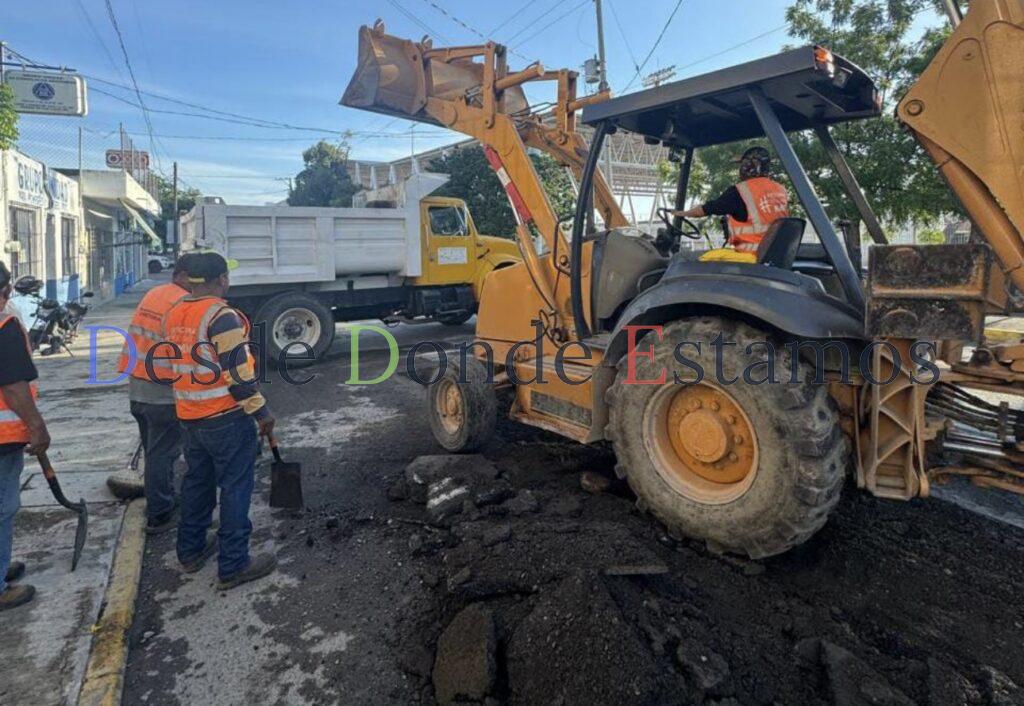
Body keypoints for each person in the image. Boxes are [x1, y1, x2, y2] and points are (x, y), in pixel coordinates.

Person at [162, 252, 277, 590]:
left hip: (188, 415)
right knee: (235, 486)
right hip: (225, 418)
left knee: (197, 483)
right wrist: (262, 413)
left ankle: (191, 551)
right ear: (221, 280)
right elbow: (238, 376)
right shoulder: (221, 317)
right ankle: (233, 564)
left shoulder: (175, 312)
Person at [107, 255, 193, 533]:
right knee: (162, 453)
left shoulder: (156, 293)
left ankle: (163, 497)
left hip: (139, 388)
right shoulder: (182, 303)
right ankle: (160, 514)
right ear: (181, 276)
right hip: (162, 393)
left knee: (153, 450)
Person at [0, 260, 50, 611]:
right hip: (1, 438)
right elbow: (14, 386)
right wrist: (36, 425)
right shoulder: (3, 324)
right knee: (3, 507)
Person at [675, 146, 790, 253]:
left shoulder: (741, 191)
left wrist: (680, 213)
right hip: (775, 254)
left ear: (747, 167)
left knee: (696, 260)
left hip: (751, 256)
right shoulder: (780, 190)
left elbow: (705, 210)